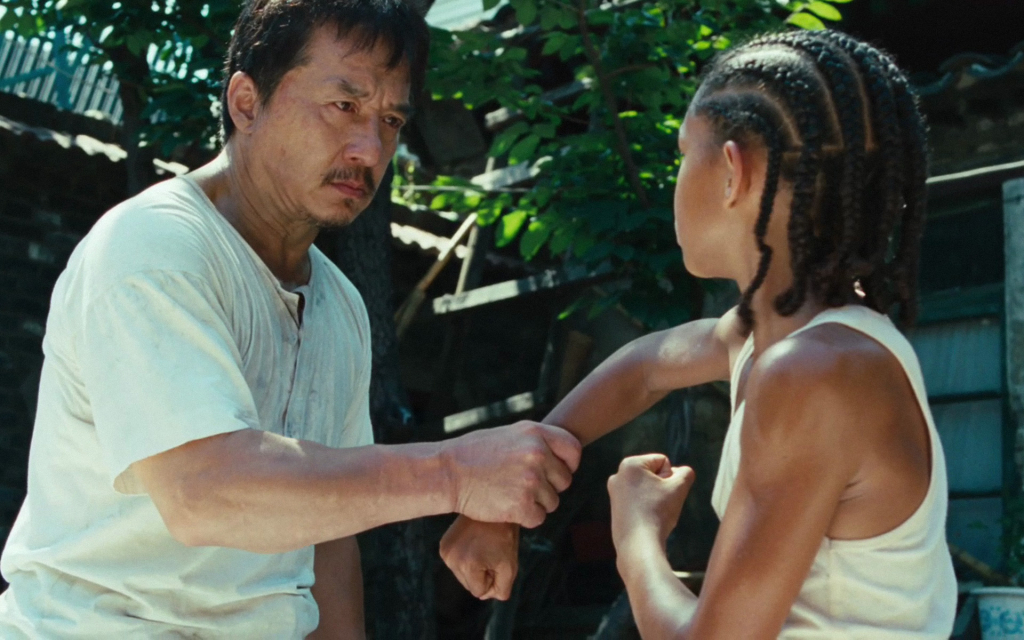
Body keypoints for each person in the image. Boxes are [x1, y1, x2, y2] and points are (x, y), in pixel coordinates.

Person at [0, 1, 582, 637]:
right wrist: (454, 472)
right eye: (344, 105)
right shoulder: (154, 246)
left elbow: (328, 539)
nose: (370, 148)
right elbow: (204, 492)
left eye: (391, 120)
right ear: (246, 103)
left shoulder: (339, 304)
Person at [440, 29, 957, 638]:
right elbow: (645, 366)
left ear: (733, 171)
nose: (676, 180)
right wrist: (509, 492)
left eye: (685, 152)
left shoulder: (811, 372)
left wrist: (636, 536)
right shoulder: (782, 334)